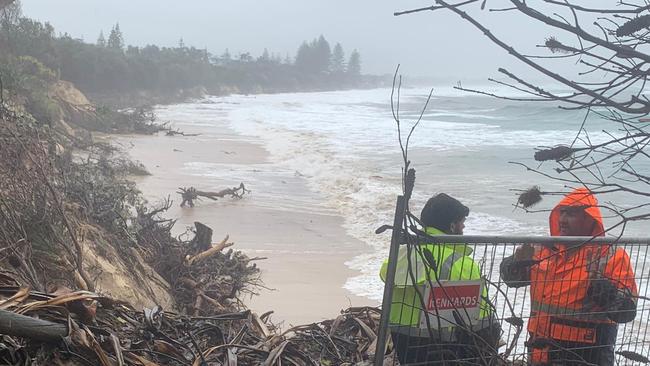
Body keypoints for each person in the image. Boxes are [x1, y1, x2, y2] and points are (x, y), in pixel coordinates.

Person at [500, 187, 638, 365]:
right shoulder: (542, 249)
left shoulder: (611, 255)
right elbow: (510, 280)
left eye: (571, 214)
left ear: (589, 218)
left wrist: (605, 293)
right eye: (562, 213)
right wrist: (515, 264)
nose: (563, 220)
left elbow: (626, 312)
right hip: (539, 348)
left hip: (586, 354)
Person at [380, 193, 501, 364]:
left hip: (404, 344)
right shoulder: (460, 263)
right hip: (445, 350)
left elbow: (383, 274)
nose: (464, 227)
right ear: (452, 226)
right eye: (462, 223)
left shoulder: (400, 255)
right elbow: (482, 321)